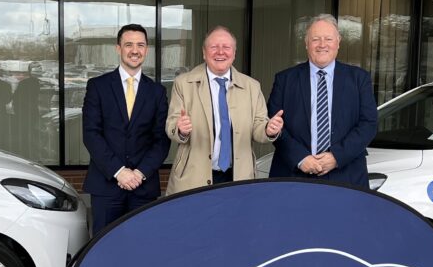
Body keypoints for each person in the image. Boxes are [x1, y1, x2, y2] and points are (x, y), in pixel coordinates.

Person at [165, 26, 284, 194]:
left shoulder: (251, 86)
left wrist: (268, 129)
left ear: (234, 53)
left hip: (238, 176)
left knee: (237, 220)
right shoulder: (184, 83)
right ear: (204, 53)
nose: (220, 52)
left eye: (226, 47)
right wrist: (181, 130)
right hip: (193, 176)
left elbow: (258, 127)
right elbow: (172, 124)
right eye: (214, 47)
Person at [267, 14, 378, 187]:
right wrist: (301, 158)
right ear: (306, 43)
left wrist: (336, 157)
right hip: (293, 176)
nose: (322, 45)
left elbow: (368, 124)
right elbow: (274, 126)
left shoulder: (359, 79)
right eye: (315, 39)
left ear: (338, 42)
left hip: (346, 176)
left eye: (328, 39)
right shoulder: (285, 79)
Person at [82, 24, 171, 234]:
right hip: (106, 185)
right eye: (128, 44)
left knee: (141, 248)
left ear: (146, 50)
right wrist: (120, 172)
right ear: (118, 48)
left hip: (143, 187)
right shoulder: (98, 86)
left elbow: (161, 140)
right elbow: (91, 134)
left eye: (140, 45)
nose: (135, 50)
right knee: (103, 249)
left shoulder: (157, 92)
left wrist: (139, 174)